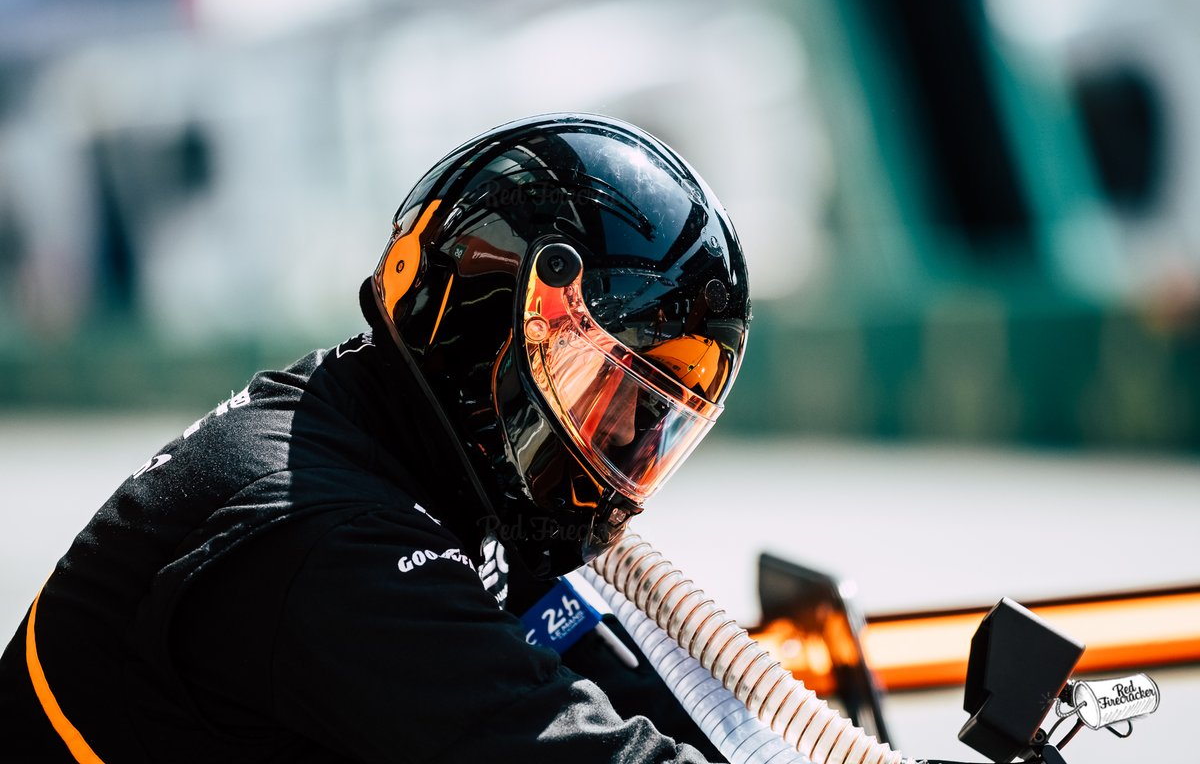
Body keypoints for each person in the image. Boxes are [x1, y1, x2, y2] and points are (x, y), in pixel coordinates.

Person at [0, 113, 751, 763]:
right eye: (608, 390)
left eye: (654, 417)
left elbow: (604, 672)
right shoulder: (331, 537)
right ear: (496, 325)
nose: (626, 435)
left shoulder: (415, 456)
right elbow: (560, 743)